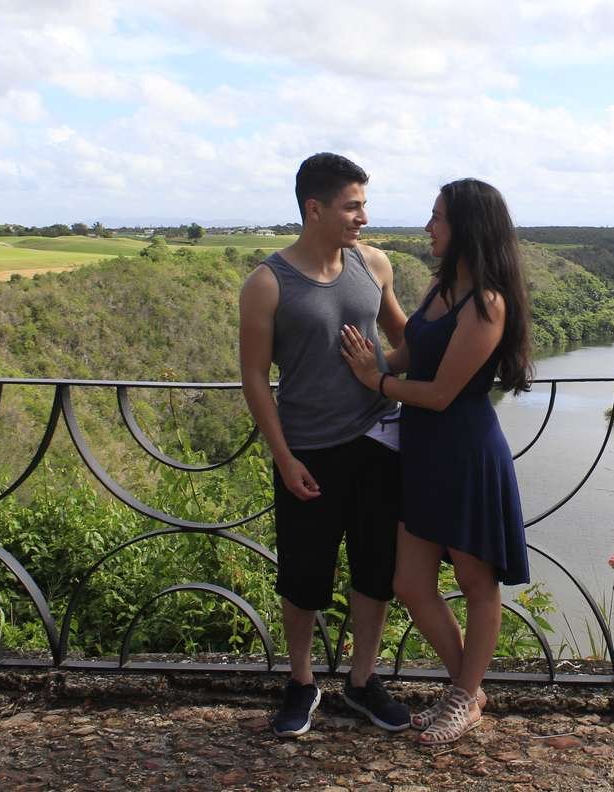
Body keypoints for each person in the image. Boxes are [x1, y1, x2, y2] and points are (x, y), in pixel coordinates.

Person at [340, 178, 533, 745]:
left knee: (476, 581)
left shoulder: (487, 302)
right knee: (410, 581)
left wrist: (376, 380)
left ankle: (463, 694)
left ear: (467, 227)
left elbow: (442, 392)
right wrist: (364, 360)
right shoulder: (440, 287)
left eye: (438, 217)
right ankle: (467, 691)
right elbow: (411, 354)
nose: (428, 227)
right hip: (423, 449)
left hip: (465, 451)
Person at [238, 152, 412, 737]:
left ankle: (362, 681)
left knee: (375, 569)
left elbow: (406, 341)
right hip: (308, 449)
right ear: (314, 209)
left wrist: (382, 375)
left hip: (379, 439)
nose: (363, 217)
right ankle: (301, 682)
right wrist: (283, 457)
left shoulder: (374, 263)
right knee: (304, 574)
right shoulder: (267, 283)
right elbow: (254, 377)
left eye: (364, 204)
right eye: (352, 206)